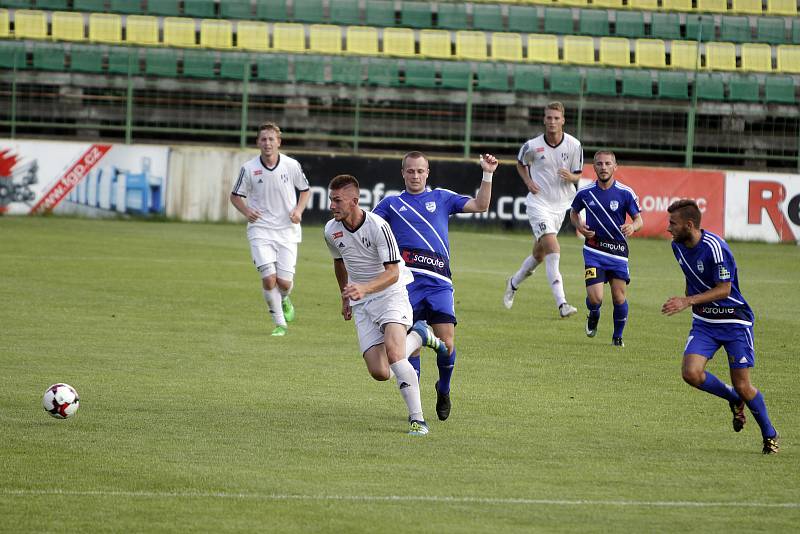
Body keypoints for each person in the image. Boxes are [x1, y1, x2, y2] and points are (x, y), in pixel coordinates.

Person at [372, 151, 498, 421]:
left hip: (439, 283)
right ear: (402, 173)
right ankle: (414, 409)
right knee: (412, 347)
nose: (415, 175)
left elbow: (480, 205)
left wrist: (487, 173)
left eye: (420, 171)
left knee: (447, 343)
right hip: (406, 286)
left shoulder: (441, 197)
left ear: (427, 172)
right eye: (410, 171)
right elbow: (368, 230)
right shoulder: (391, 204)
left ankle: (444, 387)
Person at [325, 174, 446, 436]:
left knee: (395, 355)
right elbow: (339, 262)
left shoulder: (378, 226)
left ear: (354, 201)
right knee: (380, 372)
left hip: (391, 293)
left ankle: (417, 419)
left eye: (337, 200)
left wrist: (364, 288)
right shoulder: (330, 231)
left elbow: (392, 272)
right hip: (362, 302)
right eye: (330, 200)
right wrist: (344, 295)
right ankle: (420, 335)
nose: (332, 205)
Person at [661, 199, 779, 454]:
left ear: (689, 225)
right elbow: (691, 277)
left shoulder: (715, 248)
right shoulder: (677, 247)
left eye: (673, 223)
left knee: (744, 385)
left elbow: (725, 289)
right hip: (705, 322)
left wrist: (687, 301)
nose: (668, 228)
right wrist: (688, 301)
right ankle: (733, 399)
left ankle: (769, 434)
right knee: (690, 373)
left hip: (734, 321)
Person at [504, 101, 583, 318]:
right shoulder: (532, 145)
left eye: (556, 118)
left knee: (538, 255)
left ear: (563, 120)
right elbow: (520, 163)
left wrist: (571, 177)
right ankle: (562, 304)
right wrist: (528, 181)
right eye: (549, 117)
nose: (552, 121)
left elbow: (578, 173)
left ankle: (513, 282)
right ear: (544, 119)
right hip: (538, 204)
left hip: (562, 205)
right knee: (552, 247)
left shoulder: (574, 145)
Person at [230, 122, 310, 337]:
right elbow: (235, 196)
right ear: (258, 142)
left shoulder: (291, 165)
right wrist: (247, 212)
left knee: (284, 282)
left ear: (278, 142)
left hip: (287, 230)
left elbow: (305, 190)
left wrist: (298, 210)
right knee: (268, 278)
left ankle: (284, 299)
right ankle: (280, 323)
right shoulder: (249, 168)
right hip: (260, 229)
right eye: (263, 139)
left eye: (271, 139)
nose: (267, 143)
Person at [569, 151, 643, 347]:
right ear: (594, 167)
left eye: (607, 164)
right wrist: (579, 226)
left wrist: (632, 227)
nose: (603, 167)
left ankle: (617, 337)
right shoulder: (585, 192)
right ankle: (593, 314)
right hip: (594, 250)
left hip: (618, 251)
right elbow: (574, 213)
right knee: (596, 298)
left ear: (615, 167)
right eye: (599, 164)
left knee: (619, 297)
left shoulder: (625, 193)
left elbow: (639, 220)